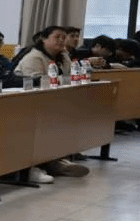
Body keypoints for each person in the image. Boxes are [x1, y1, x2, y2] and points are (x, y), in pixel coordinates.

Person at [11, 25, 89, 183]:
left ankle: (56, 161)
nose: (61, 41)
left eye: (63, 37)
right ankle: (36, 166)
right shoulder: (34, 57)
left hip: (54, 102)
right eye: (56, 37)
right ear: (44, 39)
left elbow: (71, 76)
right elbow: (36, 82)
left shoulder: (64, 56)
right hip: (27, 104)